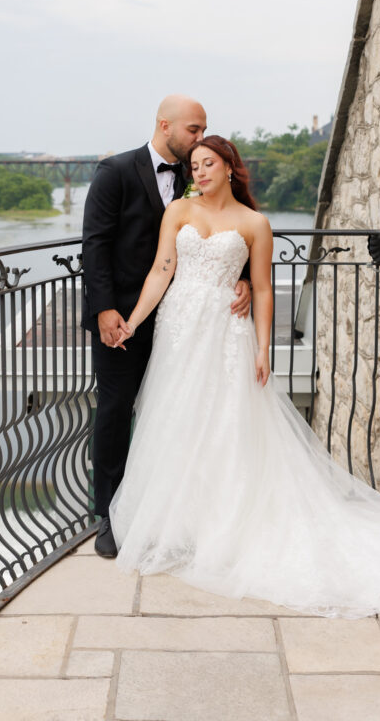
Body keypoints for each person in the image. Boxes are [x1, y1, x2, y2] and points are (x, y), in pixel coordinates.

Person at [108, 136, 380, 619]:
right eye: (194, 165)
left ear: (228, 167)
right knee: (176, 417)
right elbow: (161, 269)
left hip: (224, 333)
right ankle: (182, 523)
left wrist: (263, 349)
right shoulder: (178, 211)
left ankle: (226, 524)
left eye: (208, 164)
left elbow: (262, 289)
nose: (199, 172)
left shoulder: (255, 224)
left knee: (225, 424)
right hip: (178, 329)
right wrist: (133, 321)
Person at [82, 97, 252, 558]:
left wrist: (244, 279)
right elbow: (94, 245)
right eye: (194, 130)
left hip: (187, 319)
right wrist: (104, 311)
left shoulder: (195, 173)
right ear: (165, 126)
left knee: (179, 412)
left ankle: (176, 512)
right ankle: (109, 516)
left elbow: (230, 230)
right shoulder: (114, 171)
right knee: (116, 411)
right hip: (122, 318)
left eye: (204, 133)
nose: (200, 140)